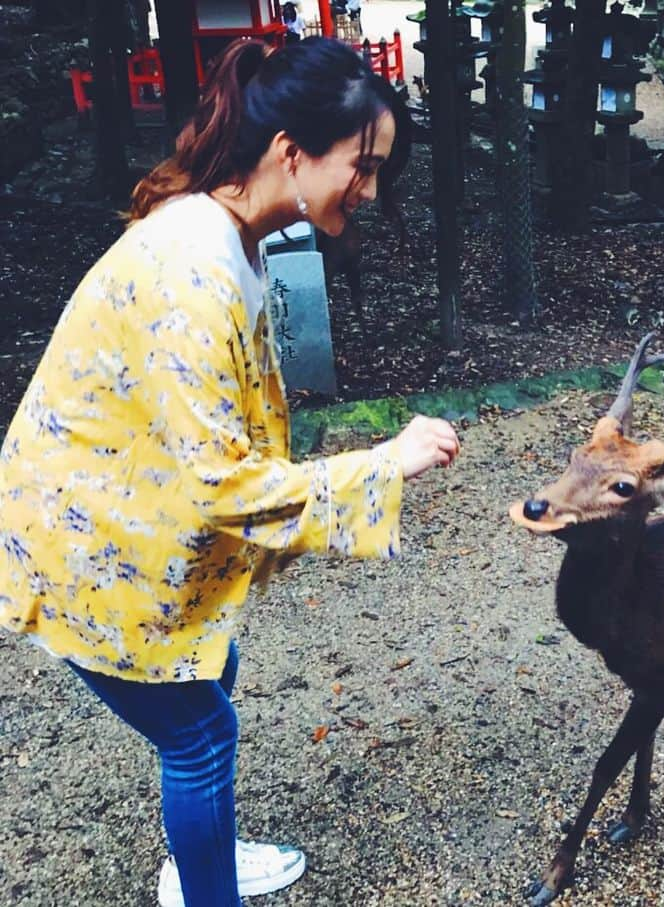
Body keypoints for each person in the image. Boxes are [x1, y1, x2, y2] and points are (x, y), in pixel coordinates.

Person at [0, 37, 459, 907]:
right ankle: (206, 890)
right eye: (360, 167)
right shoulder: (193, 266)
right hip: (77, 543)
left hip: (113, 517)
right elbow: (220, 486)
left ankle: (198, 856)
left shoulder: (233, 236)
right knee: (202, 732)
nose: (366, 190)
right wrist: (382, 464)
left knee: (211, 670)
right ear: (291, 150)